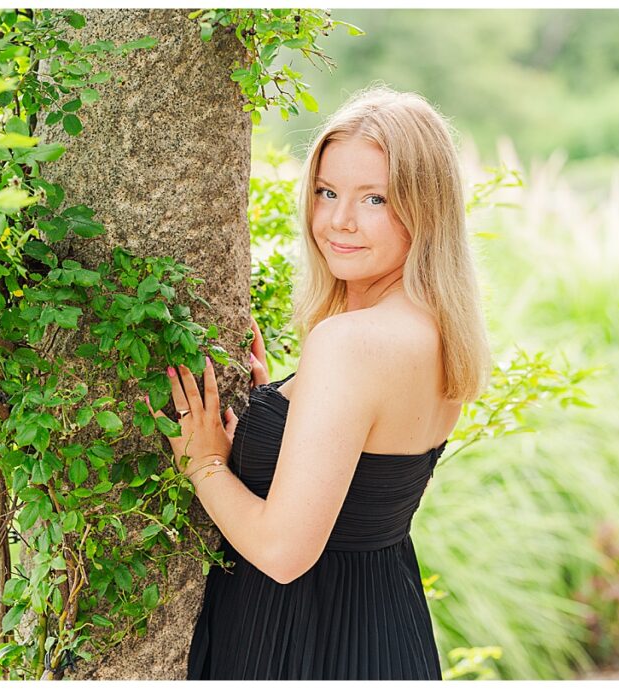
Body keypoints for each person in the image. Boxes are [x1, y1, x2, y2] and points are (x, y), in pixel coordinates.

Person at [144, 85, 491, 680]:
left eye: (375, 199)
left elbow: (283, 553)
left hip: (298, 637)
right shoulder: (441, 335)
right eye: (327, 192)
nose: (339, 221)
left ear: (425, 206)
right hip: (385, 625)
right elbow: (362, 473)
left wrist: (204, 464)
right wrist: (278, 410)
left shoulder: (349, 344)